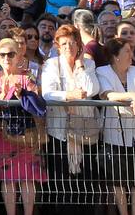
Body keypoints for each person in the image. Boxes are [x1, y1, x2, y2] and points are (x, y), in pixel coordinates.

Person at [39, 24, 99, 202]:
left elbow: (92, 89)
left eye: (72, 43)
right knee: (62, 186)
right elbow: (47, 93)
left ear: (79, 44)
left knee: (86, 185)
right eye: (64, 44)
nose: (68, 47)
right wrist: (68, 95)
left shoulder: (88, 63)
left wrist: (80, 65)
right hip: (59, 131)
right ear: (58, 45)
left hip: (85, 130)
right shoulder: (51, 64)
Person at [96, 37, 135, 215]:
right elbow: (107, 95)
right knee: (118, 180)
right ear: (116, 56)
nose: (132, 54)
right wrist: (132, 95)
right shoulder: (103, 71)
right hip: (114, 133)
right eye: (127, 51)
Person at [0, 37, 44, 215]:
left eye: (11, 54)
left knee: (28, 177)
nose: (6, 58)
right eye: (2, 54)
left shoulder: (27, 77)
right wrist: (3, 94)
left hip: (28, 132)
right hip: (3, 133)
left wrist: (22, 95)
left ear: (19, 56)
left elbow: (38, 103)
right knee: (8, 178)